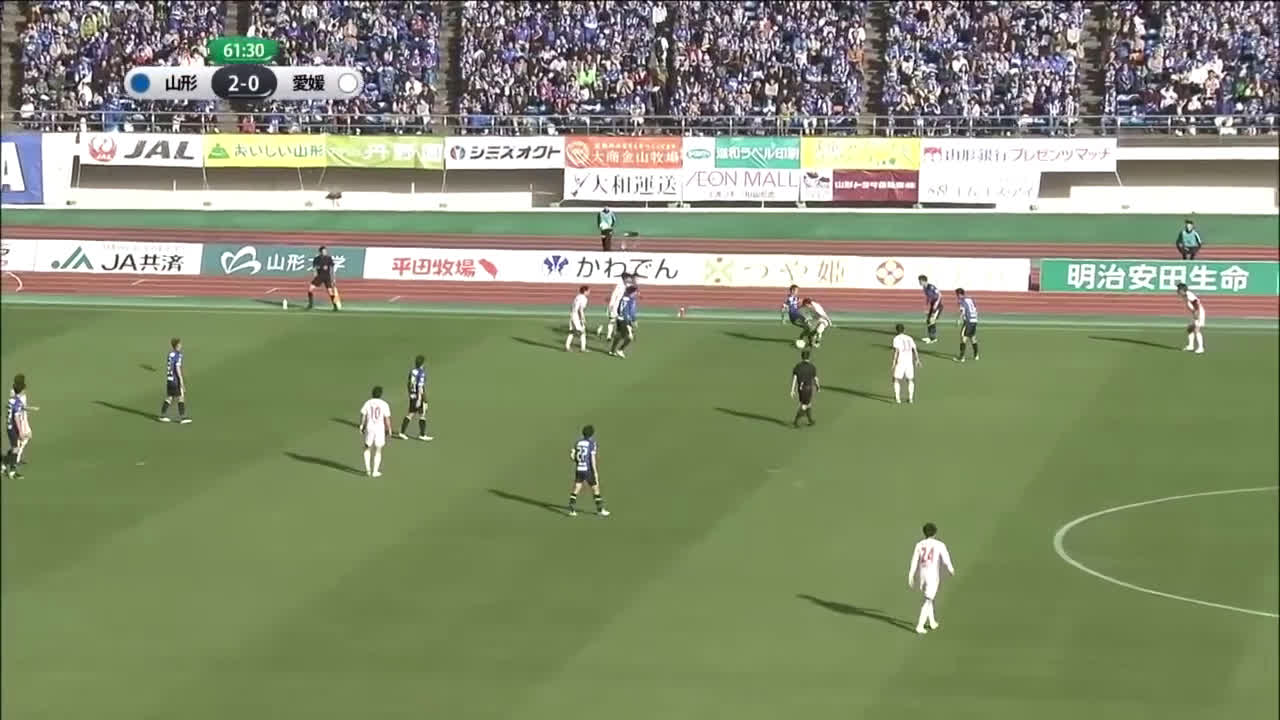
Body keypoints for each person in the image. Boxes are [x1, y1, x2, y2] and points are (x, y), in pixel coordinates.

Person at [907, 522, 955, 635]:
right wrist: (951, 569)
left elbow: (914, 560)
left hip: (922, 575)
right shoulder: (939, 544)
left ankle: (932, 622)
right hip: (932, 576)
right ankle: (920, 626)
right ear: (935, 533)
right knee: (928, 600)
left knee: (929, 597)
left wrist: (911, 575)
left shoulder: (919, 544)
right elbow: (946, 558)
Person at [568, 424, 609, 517]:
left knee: (577, 488)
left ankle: (571, 508)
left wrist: (577, 461)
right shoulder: (591, 443)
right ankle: (600, 510)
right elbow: (592, 458)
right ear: (592, 434)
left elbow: (572, 455)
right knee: (595, 488)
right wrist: (595, 472)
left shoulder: (578, 442)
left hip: (579, 469)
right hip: (587, 470)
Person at [359, 385, 392, 477]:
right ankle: (375, 471)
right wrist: (389, 429)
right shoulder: (384, 404)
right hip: (379, 428)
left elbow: (363, 414)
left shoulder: (368, 403)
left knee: (367, 447)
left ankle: (368, 470)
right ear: (381, 394)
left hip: (370, 427)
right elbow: (387, 418)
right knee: (378, 449)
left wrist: (361, 425)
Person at [398, 355, 433, 441]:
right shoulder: (421, 373)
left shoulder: (412, 371)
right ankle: (422, 435)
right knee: (422, 414)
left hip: (412, 395)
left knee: (411, 413)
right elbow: (420, 387)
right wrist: (420, 399)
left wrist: (410, 394)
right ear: (423, 364)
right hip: (418, 396)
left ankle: (402, 433)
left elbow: (409, 384)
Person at [3, 374, 31, 479]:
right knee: (16, 449)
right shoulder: (18, 402)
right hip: (13, 428)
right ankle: (12, 472)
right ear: (21, 391)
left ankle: (4, 465)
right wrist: (21, 432)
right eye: (24, 390)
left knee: (15, 447)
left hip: (9, 427)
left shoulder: (12, 400)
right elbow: (16, 418)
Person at [159, 337, 191, 423]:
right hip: (175, 380)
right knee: (181, 397)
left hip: (169, 379)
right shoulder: (178, 355)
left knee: (169, 397)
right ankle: (183, 418)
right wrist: (181, 382)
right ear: (176, 345)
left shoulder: (170, 354)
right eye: (179, 344)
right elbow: (177, 368)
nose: (181, 345)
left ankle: (162, 415)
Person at [891, 323, 921, 404]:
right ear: (904, 330)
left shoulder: (896, 338)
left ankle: (898, 398)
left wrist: (894, 362)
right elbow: (914, 349)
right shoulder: (909, 338)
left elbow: (896, 351)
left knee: (896, 379)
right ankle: (910, 398)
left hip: (900, 362)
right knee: (910, 379)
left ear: (896, 330)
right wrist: (917, 359)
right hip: (909, 362)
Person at [598, 272, 633, 339]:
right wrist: (611, 305)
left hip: (622, 306)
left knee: (623, 320)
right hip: (615, 306)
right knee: (613, 320)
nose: (630, 279)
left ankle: (629, 334)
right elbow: (614, 296)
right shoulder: (619, 286)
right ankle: (608, 335)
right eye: (628, 278)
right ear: (625, 278)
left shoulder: (627, 285)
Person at [307, 246, 342, 311]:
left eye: (325, 251)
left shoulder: (329, 258)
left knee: (330, 292)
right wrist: (315, 274)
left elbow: (332, 268)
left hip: (327, 277)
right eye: (323, 251)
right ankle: (310, 304)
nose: (325, 252)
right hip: (319, 277)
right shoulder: (317, 259)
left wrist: (334, 278)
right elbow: (314, 267)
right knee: (310, 289)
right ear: (320, 252)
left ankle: (335, 306)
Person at [790, 349, 819, 427]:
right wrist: (818, 386)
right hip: (808, 389)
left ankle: (810, 420)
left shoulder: (797, 367)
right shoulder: (812, 367)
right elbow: (815, 378)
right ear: (809, 357)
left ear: (801, 357)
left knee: (808, 403)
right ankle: (795, 421)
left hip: (800, 389)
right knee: (804, 405)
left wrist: (792, 390)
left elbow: (795, 378)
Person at [609, 285, 638, 358]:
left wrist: (619, 315)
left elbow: (619, 308)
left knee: (619, 335)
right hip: (625, 320)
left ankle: (612, 350)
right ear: (632, 292)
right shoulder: (631, 300)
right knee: (630, 337)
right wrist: (633, 320)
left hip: (619, 319)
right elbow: (630, 311)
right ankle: (620, 350)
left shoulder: (623, 298)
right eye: (636, 291)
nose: (636, 293)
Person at [1176, 282, 1206, 353]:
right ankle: (1190, 346)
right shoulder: (1185, 295)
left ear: (1182, 290)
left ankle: (1201, 348)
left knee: (1197, 330)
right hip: (1195, 313)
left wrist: (1196, 313)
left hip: (1199, 313)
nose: (1177, 291)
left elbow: (1196, 302)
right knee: (1190, 329)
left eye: (1178, 289)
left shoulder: (1189, 295)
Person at [954, 289, 979, 362]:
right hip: (974, 320)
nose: (957, 296)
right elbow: (975, 309)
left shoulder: (962, 301)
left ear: (959, 294)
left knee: (963, 337)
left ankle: (962, 357)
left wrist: (959, 320)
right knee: (972, 337)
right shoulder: (970, 299)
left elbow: (963, 311)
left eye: (957, 295)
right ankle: (976, 355)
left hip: (968, 321)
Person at [919, 275, 942, 343]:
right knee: (928, 321)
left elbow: (940, 295)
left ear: (924, 281)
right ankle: (931, 337)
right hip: (932, 306)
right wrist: (927, 304)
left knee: (931, 320)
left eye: (920, 281)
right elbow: (928, 297)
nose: (919, 283)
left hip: (937, 306)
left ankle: (933, 339)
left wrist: (936, 304)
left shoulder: (931, 287)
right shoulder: (924, 288)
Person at [566, 285, 590, 352]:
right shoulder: (584, 298)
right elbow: (580, 309)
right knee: (582, 332)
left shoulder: (577, 296)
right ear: (585, 291)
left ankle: (567, 347)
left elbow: (572, 307)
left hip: (572, 315)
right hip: (576, 316)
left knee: (572, 332)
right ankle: (583, 348)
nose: (589, 292)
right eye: (588, 291)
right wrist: (583, 318)